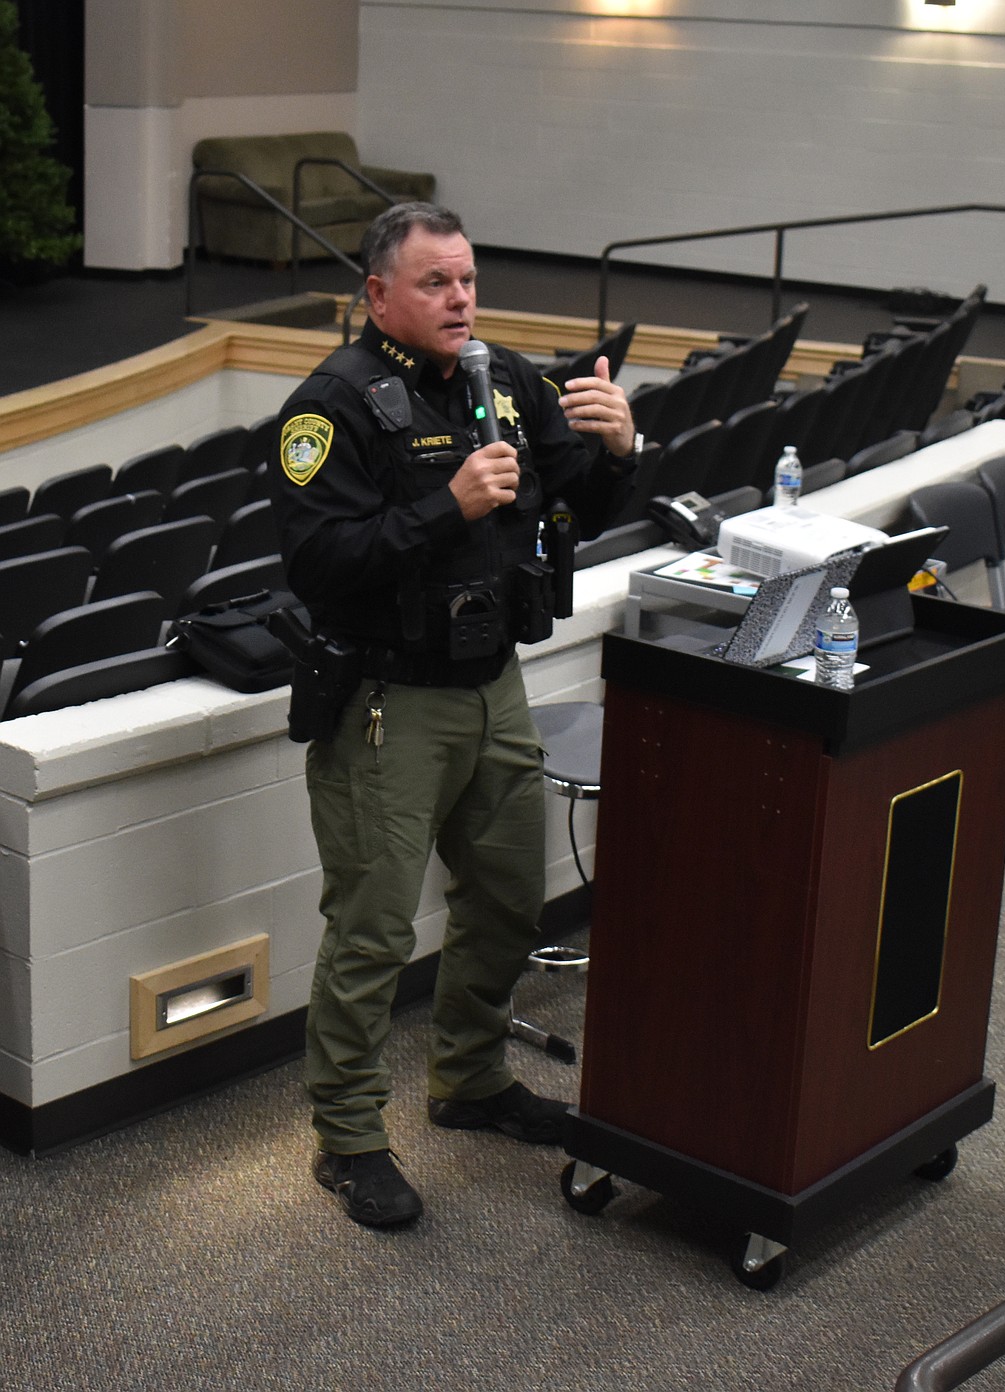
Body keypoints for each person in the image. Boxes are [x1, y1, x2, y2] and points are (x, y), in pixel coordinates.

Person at [269, 202, 640, 1230]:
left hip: (496, 689)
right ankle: (346, 1138)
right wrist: (450, 507)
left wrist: (616, 451)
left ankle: (469, 1081)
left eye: (468, 280)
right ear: (378, 294)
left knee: (512, 901)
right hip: (391, 705)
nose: (460, 299)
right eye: (435, 283)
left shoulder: (507, 381)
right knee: (375, 930)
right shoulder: (331, 406)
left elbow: (575, 509)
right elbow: (316, 563)